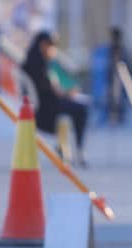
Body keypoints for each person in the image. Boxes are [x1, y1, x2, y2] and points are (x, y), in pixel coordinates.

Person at [21, 30, 89, 165]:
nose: (53, 50)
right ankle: (78, 151)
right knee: (81, 109)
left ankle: (66, 148)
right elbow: (49, 90)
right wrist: (68, 94)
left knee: (76, 107)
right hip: (45, 110)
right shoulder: (37, 64)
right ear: (43, 45)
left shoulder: (37, 61)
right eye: (51, 46)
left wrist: (66, 93)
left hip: (47, 105)